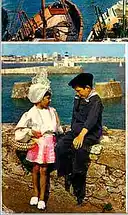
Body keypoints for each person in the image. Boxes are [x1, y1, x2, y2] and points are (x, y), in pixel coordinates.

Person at [14, 70, 63, 210]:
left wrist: (63, 134)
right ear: (40, 98)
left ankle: (42, 197)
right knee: (35, 168)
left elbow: (58, 127)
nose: (50, 100)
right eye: (47, 98)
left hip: (49, 144)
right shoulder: (31, 113)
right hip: (37, 143)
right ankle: (35, 193)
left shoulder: (52, 111)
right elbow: (19, 130)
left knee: (44, 170)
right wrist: (30, 131)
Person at [55, 73, 104, 205]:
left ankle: (79, 190)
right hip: (75, 132)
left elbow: (92, 120)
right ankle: (67, 174)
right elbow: (74, 116)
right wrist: (72, 132)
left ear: (87, 88)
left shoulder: (96, 101)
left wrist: (81, 135)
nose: (78, 93)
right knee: (60, 146)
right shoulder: (78, 98)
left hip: (89, 133)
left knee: (80, 152)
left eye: (79, 90)